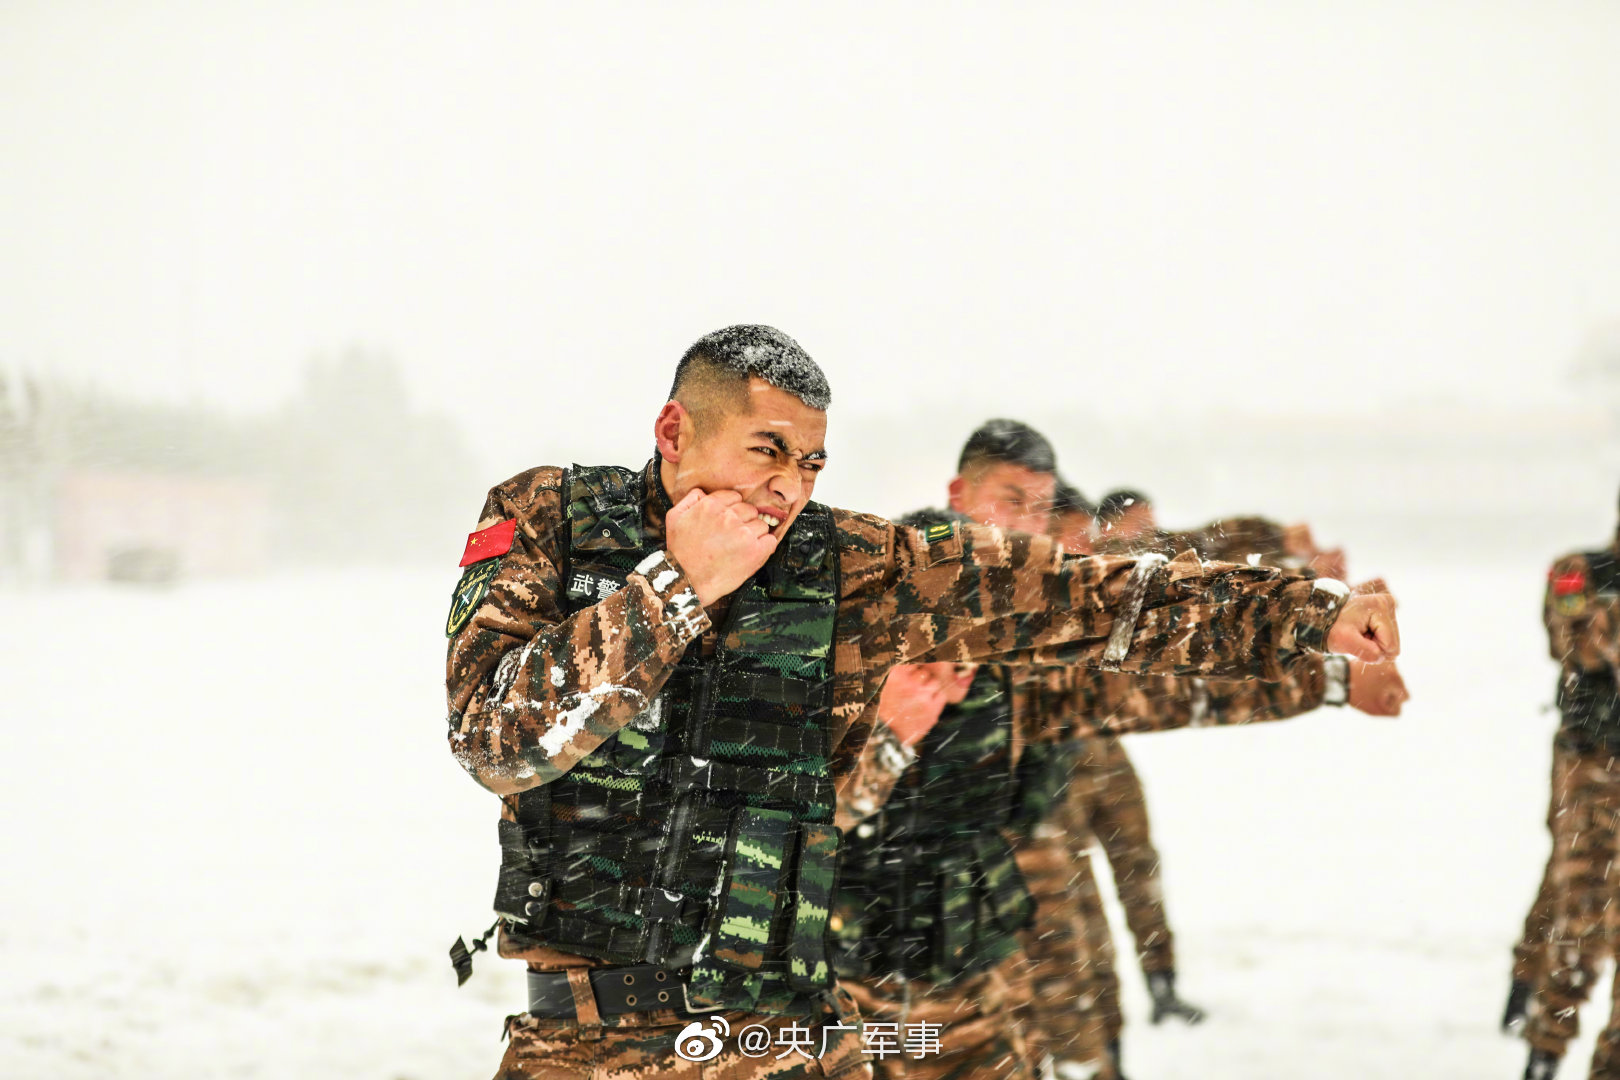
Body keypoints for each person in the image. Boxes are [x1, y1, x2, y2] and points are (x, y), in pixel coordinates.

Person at [443, 337, 1398, 1080]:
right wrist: (677, 588)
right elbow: (496, 739)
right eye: (767, 450)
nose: (788, 487)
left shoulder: (848, 564)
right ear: (674, 433)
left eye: (811, 463)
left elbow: (1078, 596)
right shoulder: (555, 523)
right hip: (591, 1044)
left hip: (793, 1033)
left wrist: (1306, 616)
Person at [828, 421, 1403, 1080]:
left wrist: (1327, 672)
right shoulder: (868, 609)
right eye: (1010, 501)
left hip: (972, 961)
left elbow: (1136, 693)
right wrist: (890, 733)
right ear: (961, 493)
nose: (1029, 523)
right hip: (849, 978)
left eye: (1040, 507)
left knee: (1083, 992)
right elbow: (790, 811)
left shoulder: (1018, 650)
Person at [1520, 504, 1620, 1080]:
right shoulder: (1579, 570)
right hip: (1594, 770)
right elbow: (1572, 641)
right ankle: (1544, 1050)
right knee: (1580, 909)